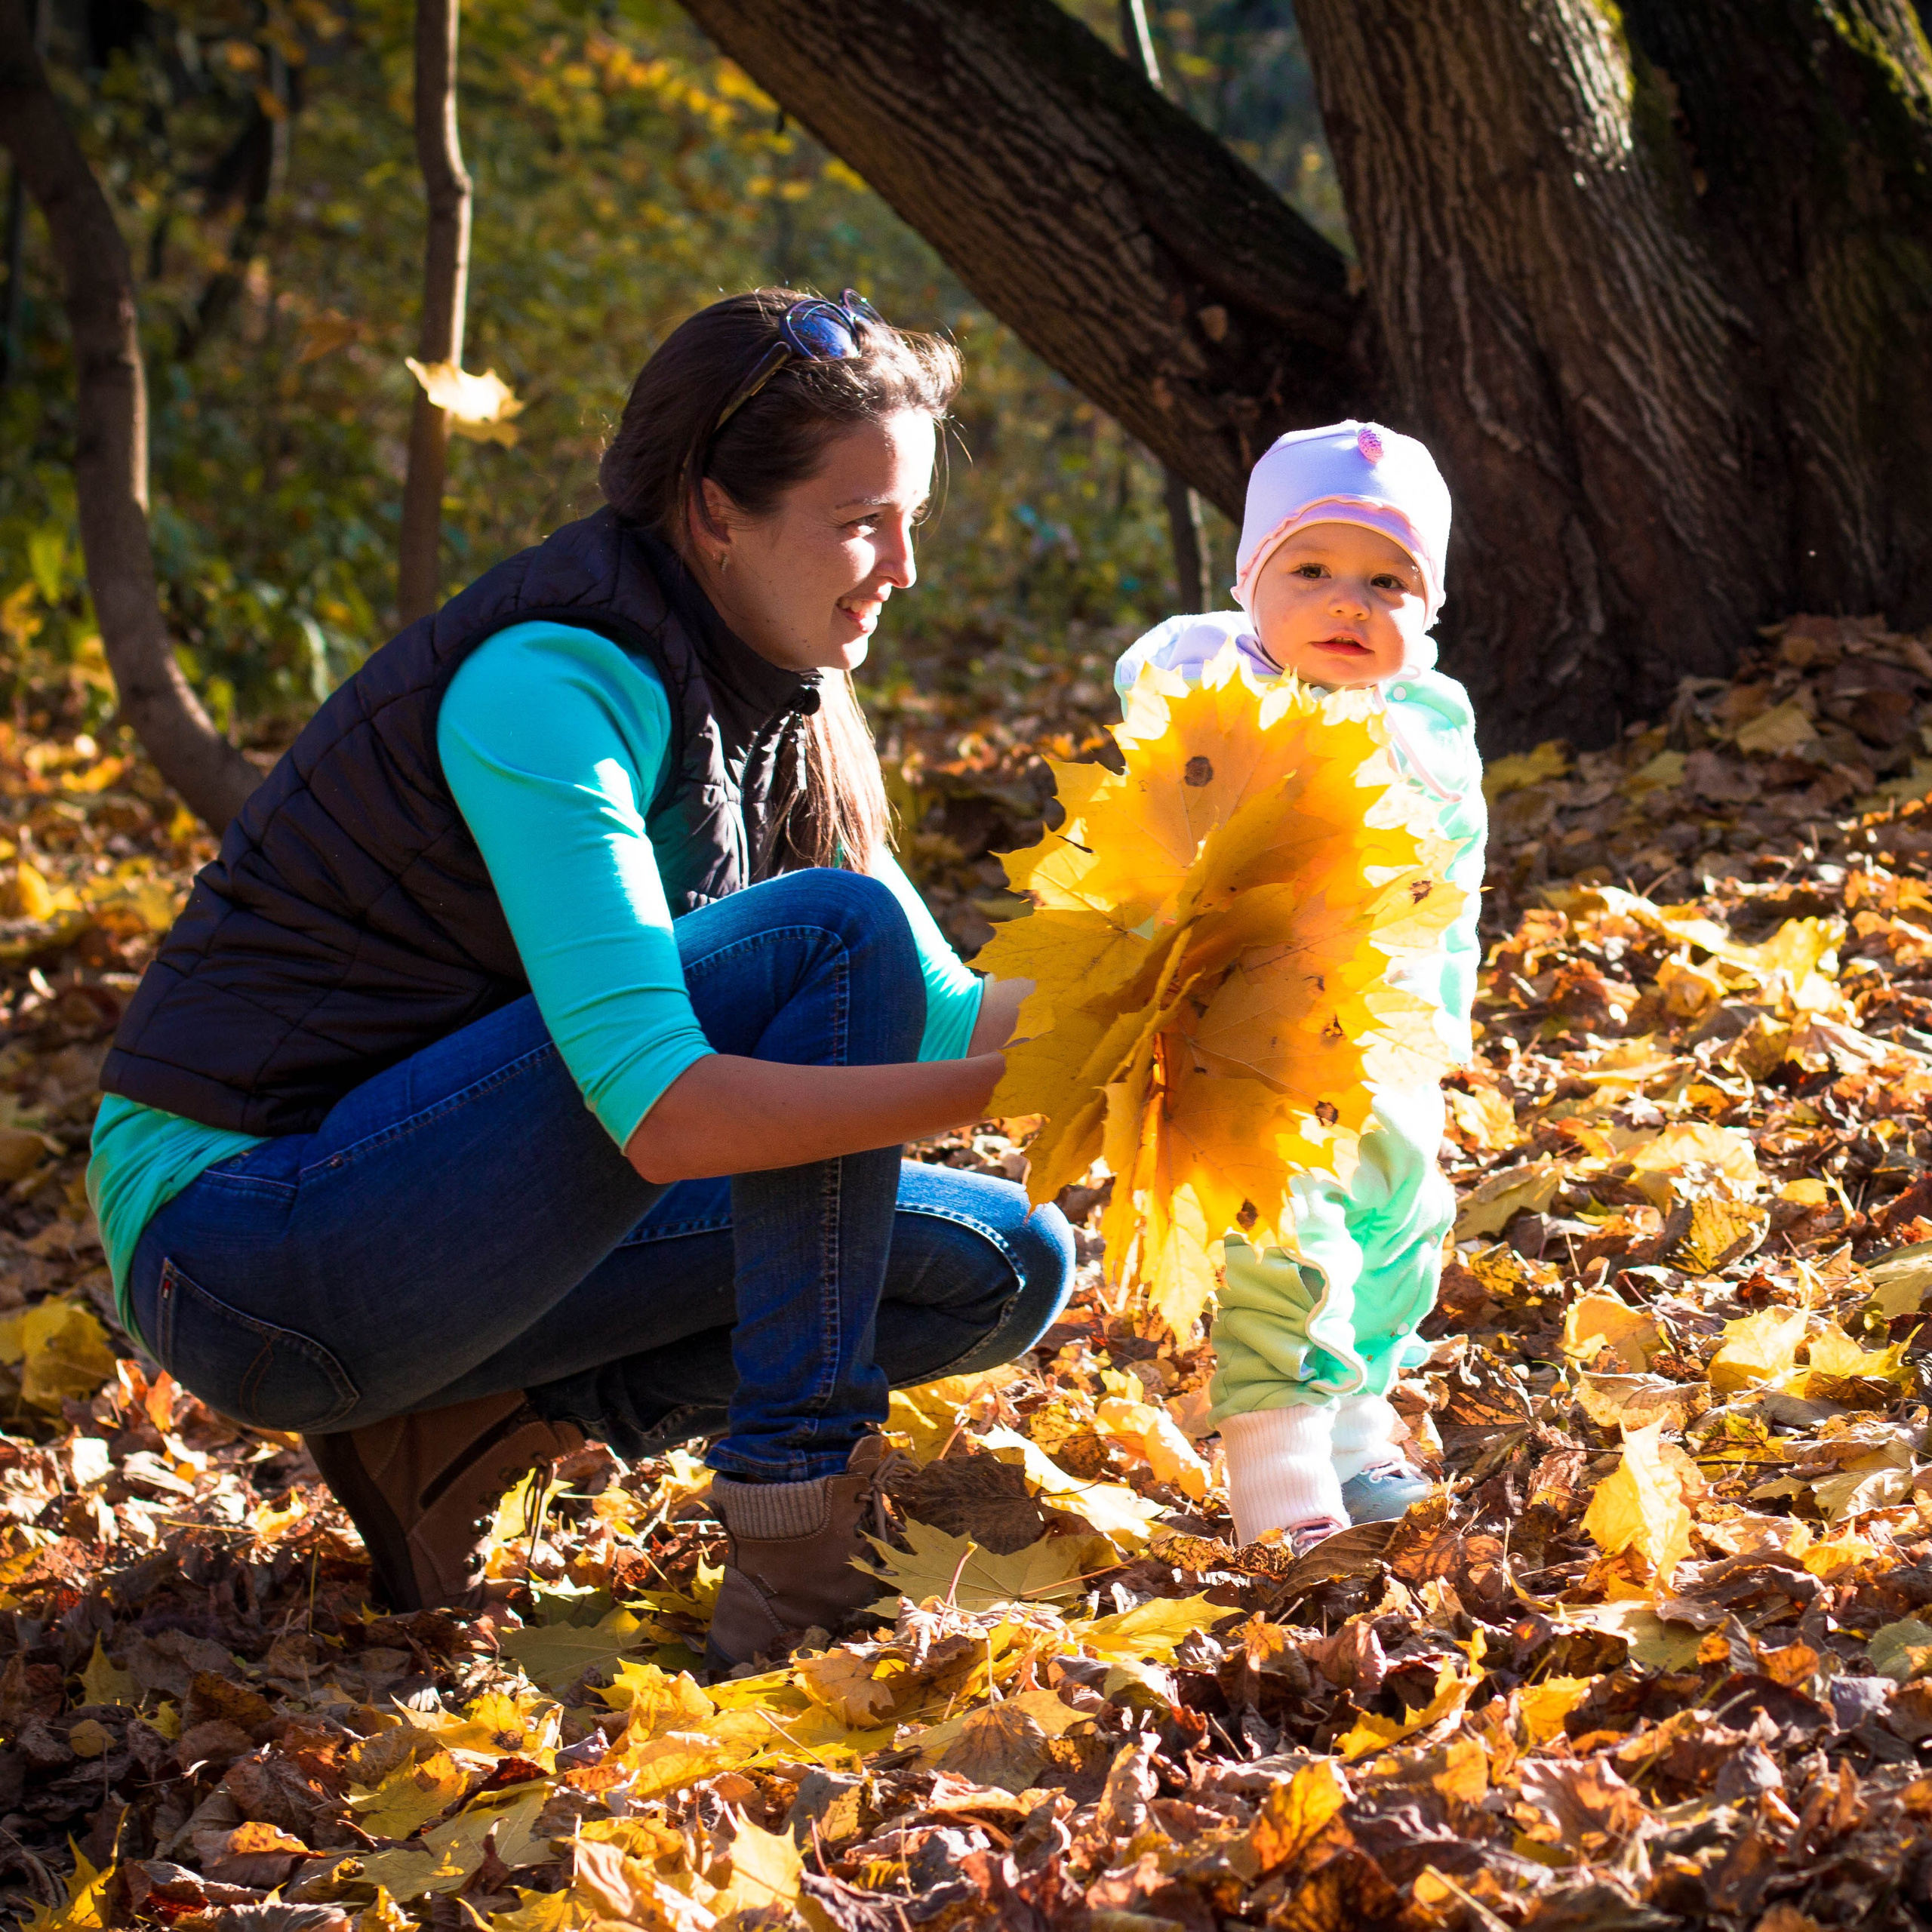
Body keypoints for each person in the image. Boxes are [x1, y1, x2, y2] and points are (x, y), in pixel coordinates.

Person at [85, 288, 1072, 1669]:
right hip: (240, 1241)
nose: (904, 565)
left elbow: (944, 1012)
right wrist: (1015, 1081)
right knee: (830, 934)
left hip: (438, 1222)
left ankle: (464, 1434)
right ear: (715, 511)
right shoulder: (549, 682)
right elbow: (668, 1114)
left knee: (1002, 1264)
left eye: (913, 519)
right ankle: (795, 1554)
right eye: (862, 520)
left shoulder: (772, 697)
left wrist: (1186, 995)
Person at [1112, 421, 1485, 1556]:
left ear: (1428, 608)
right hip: (1258, 1041)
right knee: (1289, 1245)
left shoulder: (1429, 727)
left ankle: (1360, 1431)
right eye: (1311, 572)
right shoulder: (1217, 696)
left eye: (1389, 581)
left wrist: (1448, 1021)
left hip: (1388, 1035)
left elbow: (1457, 882)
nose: (1348, 604)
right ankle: (1278, 1485)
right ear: (1249, 585)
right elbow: (1153, 855)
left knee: (1401, 1230)